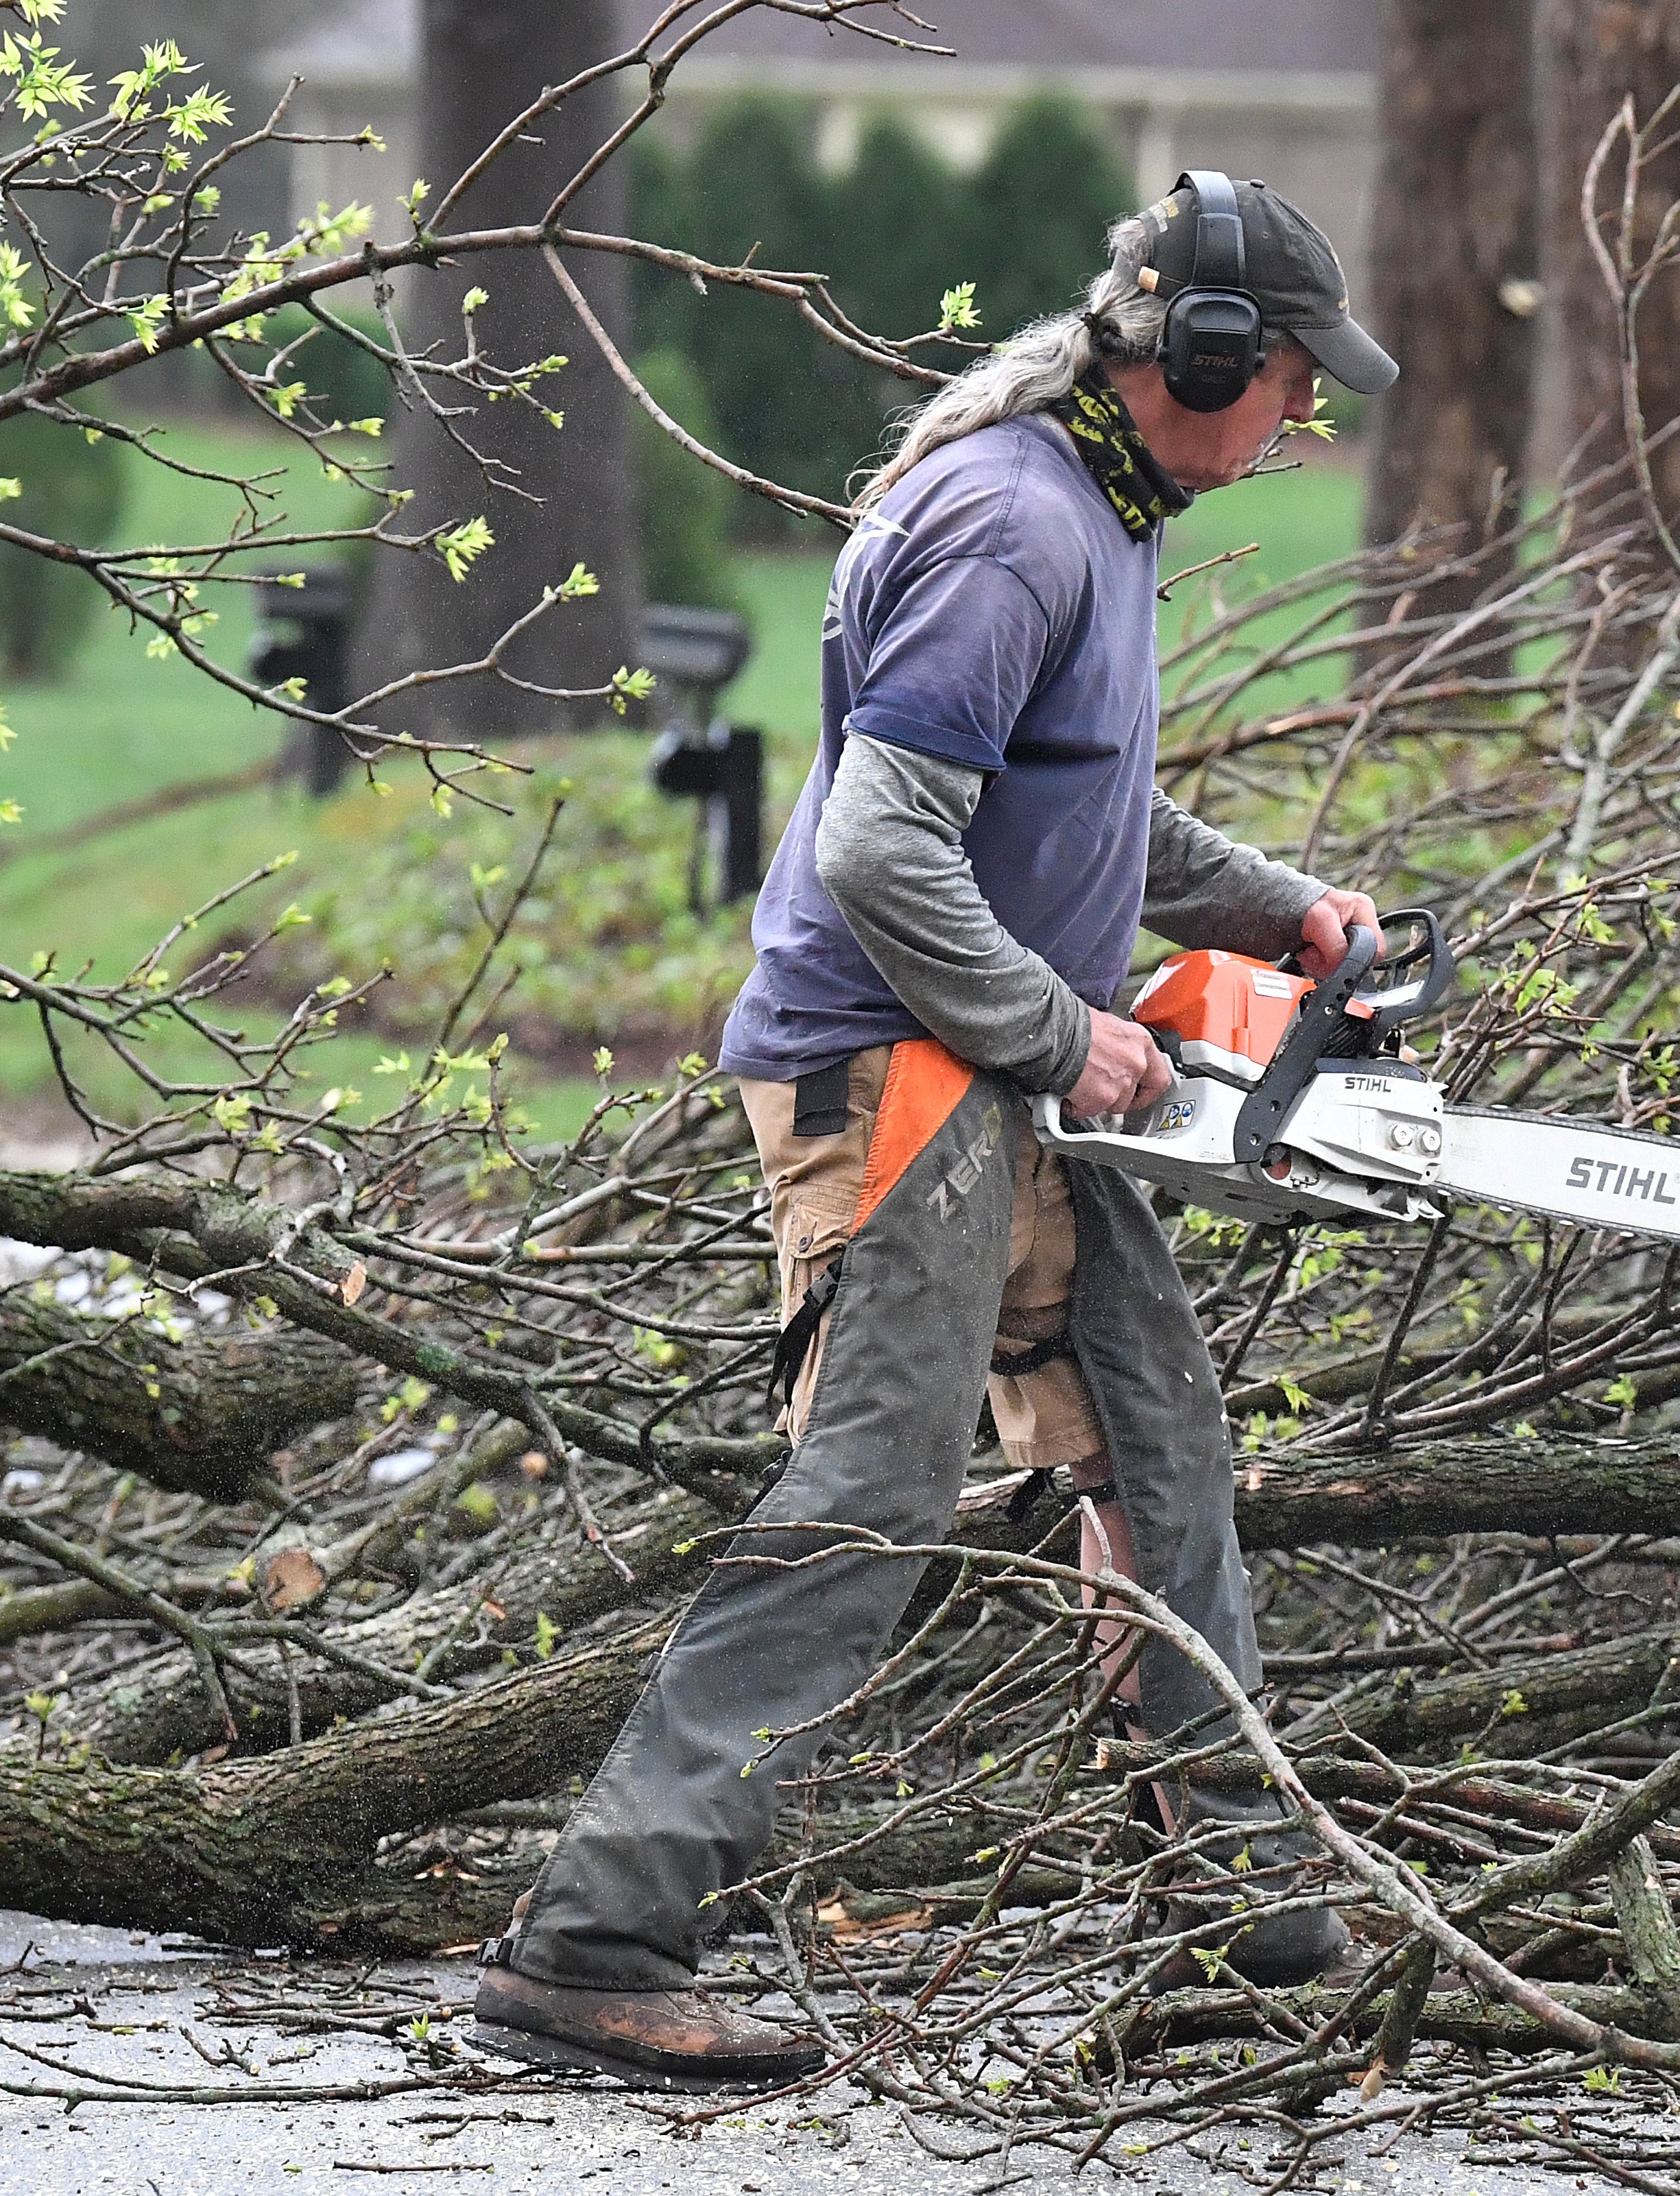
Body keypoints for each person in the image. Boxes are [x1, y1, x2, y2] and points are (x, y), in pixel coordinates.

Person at [471, 174, 1400, 2087]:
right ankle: (601, 1934)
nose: (1302, 416)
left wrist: (1276, 911)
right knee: (872, 1491)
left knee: (1158, 1454)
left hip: (993, 1066)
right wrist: (1061, 1033)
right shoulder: (1008, 524)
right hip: (896, 1065)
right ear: (1202, 355)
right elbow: (882, 842)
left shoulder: (1099, 513)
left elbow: (1074, 816)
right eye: (1291, 380)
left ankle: (1241, 1930)